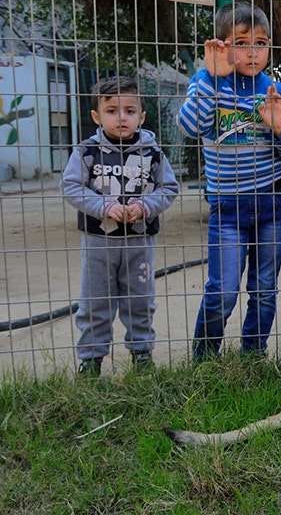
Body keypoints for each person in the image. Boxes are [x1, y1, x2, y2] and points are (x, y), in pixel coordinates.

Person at [178, 1, 281, 359]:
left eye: (262, 42)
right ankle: (205, 359)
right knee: (222, 290)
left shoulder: (276, 91)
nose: (254, 51)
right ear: (221, 45)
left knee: (265, 289)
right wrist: (210, 78)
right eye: (242, 42)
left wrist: (279, 128)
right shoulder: (205, 84)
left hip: (272, 204)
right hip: (229, 207)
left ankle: (253, 355)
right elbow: (189, 127)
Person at [62, 75, 180, 376]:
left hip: (139, 244)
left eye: (129, 111)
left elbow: (168, 189)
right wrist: (105, 206)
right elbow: (72, 187)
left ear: (141, 116)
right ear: (96, 116)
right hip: (97, 242)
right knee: (94, 302)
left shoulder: (153, 153)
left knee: (140, 302)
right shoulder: (87, 151)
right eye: (112, 110)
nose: (121, 117)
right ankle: (91, 359)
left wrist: (143, 207)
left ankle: (142, 354)